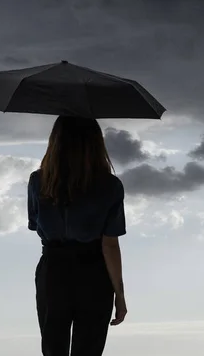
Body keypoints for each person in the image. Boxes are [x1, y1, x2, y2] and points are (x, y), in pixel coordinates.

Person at [27, 115, 128, 356]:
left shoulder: (38, 181)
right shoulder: (110, 186)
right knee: (89, 349)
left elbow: (34, 224)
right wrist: (120, 296)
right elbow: (110, 245)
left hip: (53, 269)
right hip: (94, 273)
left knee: (53, 347)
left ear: (56, 141)